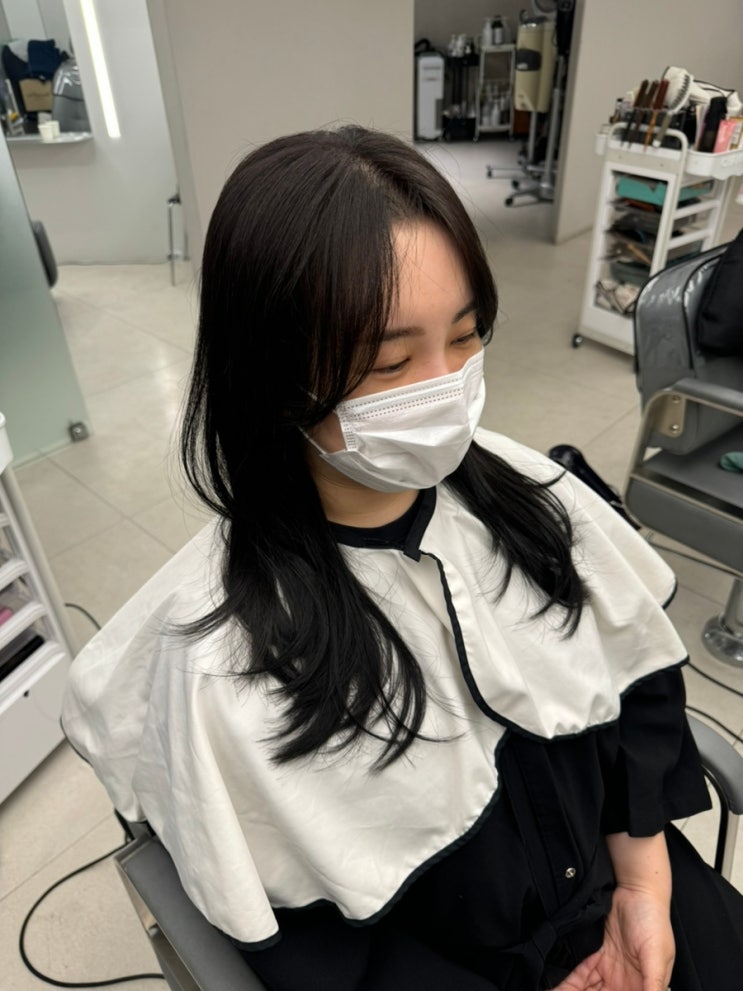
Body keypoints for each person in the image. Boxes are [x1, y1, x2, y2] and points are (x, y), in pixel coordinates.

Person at [61, 125, 743, 991]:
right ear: (271, 376)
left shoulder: (532, 496)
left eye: (464, 336)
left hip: (632, 893)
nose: (444, 386)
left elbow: (637, 686)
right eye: (391, 362)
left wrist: (644, 885)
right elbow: (314, 951)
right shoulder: (223, 664)